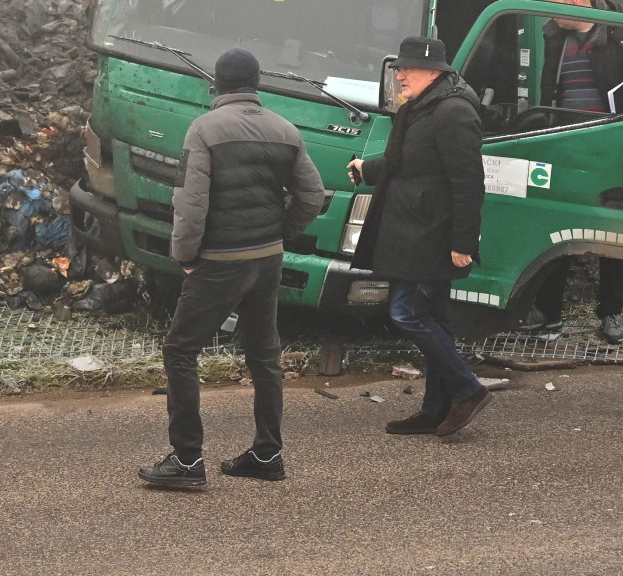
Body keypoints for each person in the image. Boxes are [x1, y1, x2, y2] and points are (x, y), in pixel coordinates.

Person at [138, 48, 325, 489]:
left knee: (180, 351)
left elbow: (190, 202)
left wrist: (185, 256)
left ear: (217, 85)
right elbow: (313, 195)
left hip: (220, 260)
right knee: (264, 354)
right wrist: (281, 230)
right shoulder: (285, 129)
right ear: (256, 83)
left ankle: (186, 461)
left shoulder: (204, 130)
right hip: (266, 258)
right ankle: (267, 453)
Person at [347, 35, 491, 438]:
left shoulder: (453, 113)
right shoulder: (421, 107)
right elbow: (408, 159)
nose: (399, 76)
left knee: (406, 313)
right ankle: (434, 408)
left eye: (406, 69)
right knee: (438, 321)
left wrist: (465, 242)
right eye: (397, 69)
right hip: (413, 231)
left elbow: (469, 183)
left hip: (431, 235)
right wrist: (368, 169)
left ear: (432, 71)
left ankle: (467, 390)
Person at [524, 0, 623, 344]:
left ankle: (610, 313)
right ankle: (549, 315)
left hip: (611, 145)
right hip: (564, 144)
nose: (550, 14)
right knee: (555, 230)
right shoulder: (553, 36)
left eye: (555, 5)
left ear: (575, 3)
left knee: (616, 232)